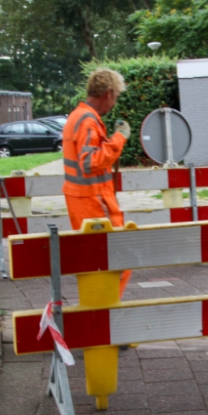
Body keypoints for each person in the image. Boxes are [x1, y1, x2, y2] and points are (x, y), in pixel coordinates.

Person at [62, 67, 132, 293]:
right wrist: (118, 139)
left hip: (84, 203)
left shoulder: (78, 116)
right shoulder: (88, 121)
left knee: (96, 267)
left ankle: (99, 313)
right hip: (94, 204)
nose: (114, 104)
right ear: (108, 93)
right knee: (116, 264)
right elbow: (90, 162)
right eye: (116, 97)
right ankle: (105, 315)